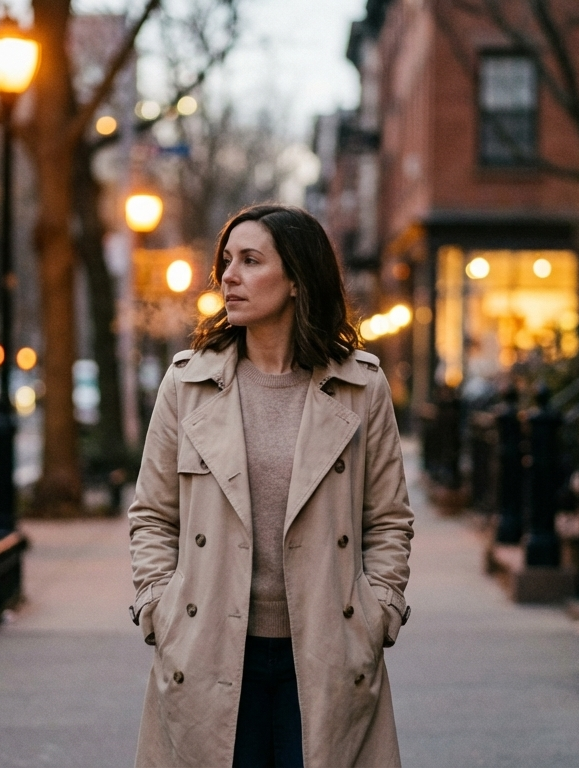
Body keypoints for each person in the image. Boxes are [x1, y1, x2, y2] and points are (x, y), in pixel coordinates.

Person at [128, 204, 415, 767]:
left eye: (251, 261)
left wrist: (379, 610)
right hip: (207, 647)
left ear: (296, 280)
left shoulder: (361, 387)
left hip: (329, 651)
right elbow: (153, 515)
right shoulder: (188, 384)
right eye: (226, 261)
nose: (228, 276)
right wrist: (158, 606)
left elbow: (388, 519)